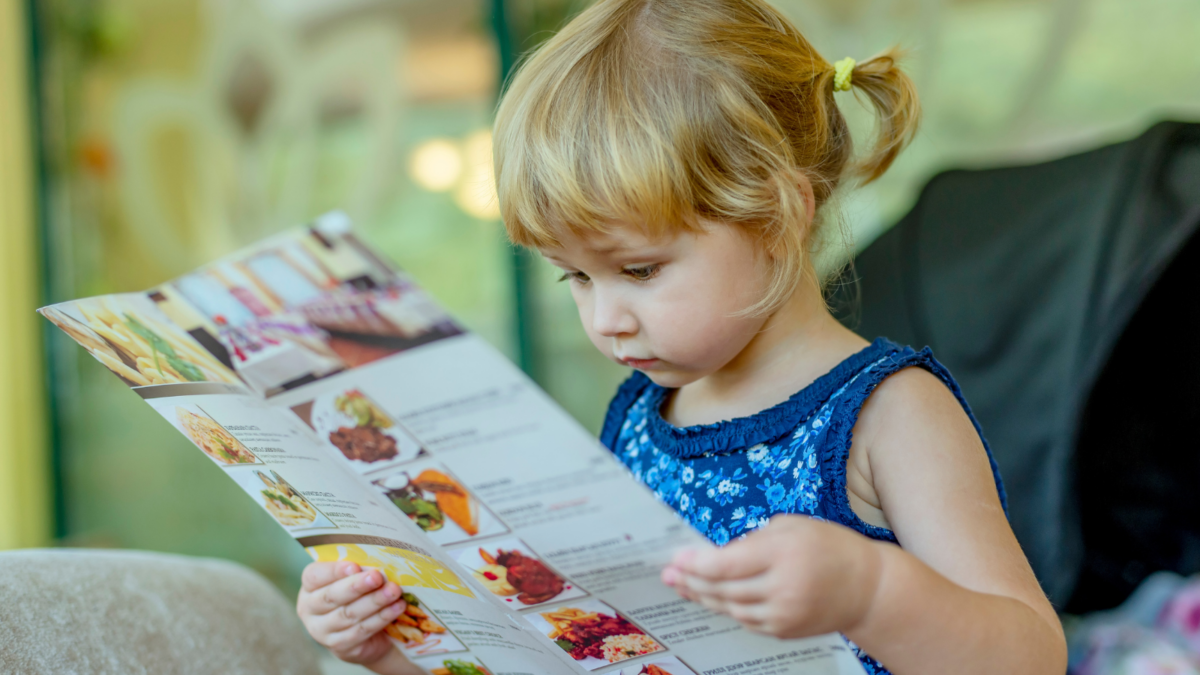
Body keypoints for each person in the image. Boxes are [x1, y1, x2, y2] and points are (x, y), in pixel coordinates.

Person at [296, 1, 1068, 673]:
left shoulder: (890, 412)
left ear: (777, 212)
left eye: (638, 268)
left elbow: (1029, 657)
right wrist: (389, 644)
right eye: (577, 278)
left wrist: (869, 591)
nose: (606, 319)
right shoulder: (639, 413)